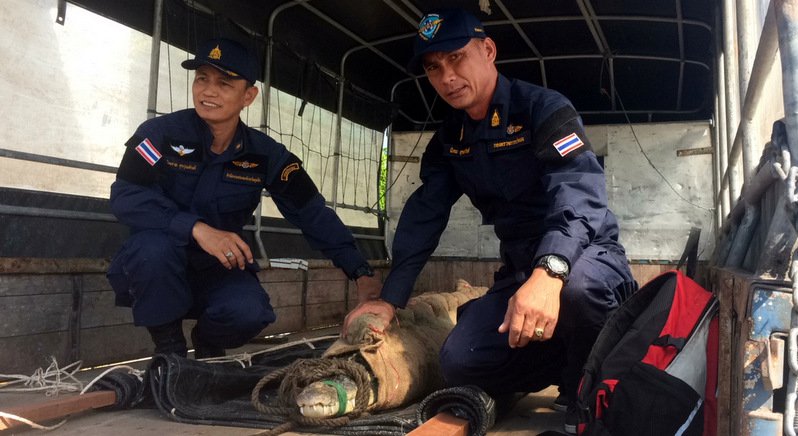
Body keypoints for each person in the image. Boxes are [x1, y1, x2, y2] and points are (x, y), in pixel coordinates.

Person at [342, 9, 636, 434]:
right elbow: (426, 213)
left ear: (488, 50)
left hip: (585, 256)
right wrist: (389, 299)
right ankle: (565, 358)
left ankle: (588, 389)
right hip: (518, 270)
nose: (447, 77)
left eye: (457, 58)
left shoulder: (542, 109)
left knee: (579, 291)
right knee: (461, 361)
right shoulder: (450, 139)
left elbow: (579, 192)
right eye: (433, 68)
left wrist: (549, 271)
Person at [107, 38, 381, 359]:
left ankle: (208, 344)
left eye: (224, 83)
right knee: (152, 249)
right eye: (202, 79)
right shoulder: (158, 134)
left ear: (248, 96)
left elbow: (311, 212)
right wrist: (196, 228)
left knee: (250, 312)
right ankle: (170, 353)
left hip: (217, 270)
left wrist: (360, 271)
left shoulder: (266, 155)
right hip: (158, 267)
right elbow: (125, 195)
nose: (208, 92)